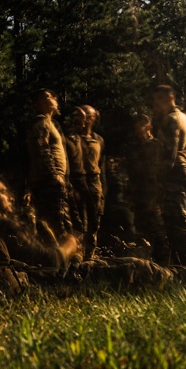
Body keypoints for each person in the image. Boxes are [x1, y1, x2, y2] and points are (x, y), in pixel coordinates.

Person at [152, 85, 186, 268]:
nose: (155, 105)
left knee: (177, 221)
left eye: (158, 100)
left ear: (170, 97)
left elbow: (170, 154)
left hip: (177, 172)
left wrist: (159, 182)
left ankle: (185, 266)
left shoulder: (170, 120)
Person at [24, 88, 70, 239]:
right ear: (41, 103)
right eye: (49, 97)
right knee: (54, 225)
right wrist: (54, 176)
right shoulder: (41, 123)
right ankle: (55, 259)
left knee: (59, 222)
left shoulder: (52, 124)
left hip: (55, 182)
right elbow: (41, 150)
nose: (54, 100)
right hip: (48, 183)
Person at [123, 114, 169, 262]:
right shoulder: (132, 148)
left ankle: (162, 264)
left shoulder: (158, 147)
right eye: (135, 127)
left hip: (155, 197)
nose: (137, 130)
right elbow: (130, 174)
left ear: (149, 127)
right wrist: (130, 196)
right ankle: (146, 264)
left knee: (159, 232)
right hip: (139, 197)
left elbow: (163, 173)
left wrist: (160, 197)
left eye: (140, 126)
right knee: (142, 232)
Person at [72, 104, 105, 258]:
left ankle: (89, 257)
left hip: (94, 183)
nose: (85, 117)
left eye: (89, 115)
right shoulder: (71, 137)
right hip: (77, 183)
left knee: (94, 223)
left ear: (94, 118)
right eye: (82, 113)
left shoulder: (99, 140)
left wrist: (104, 190)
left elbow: (101, 166)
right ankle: (76, 257)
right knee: (78, 221)